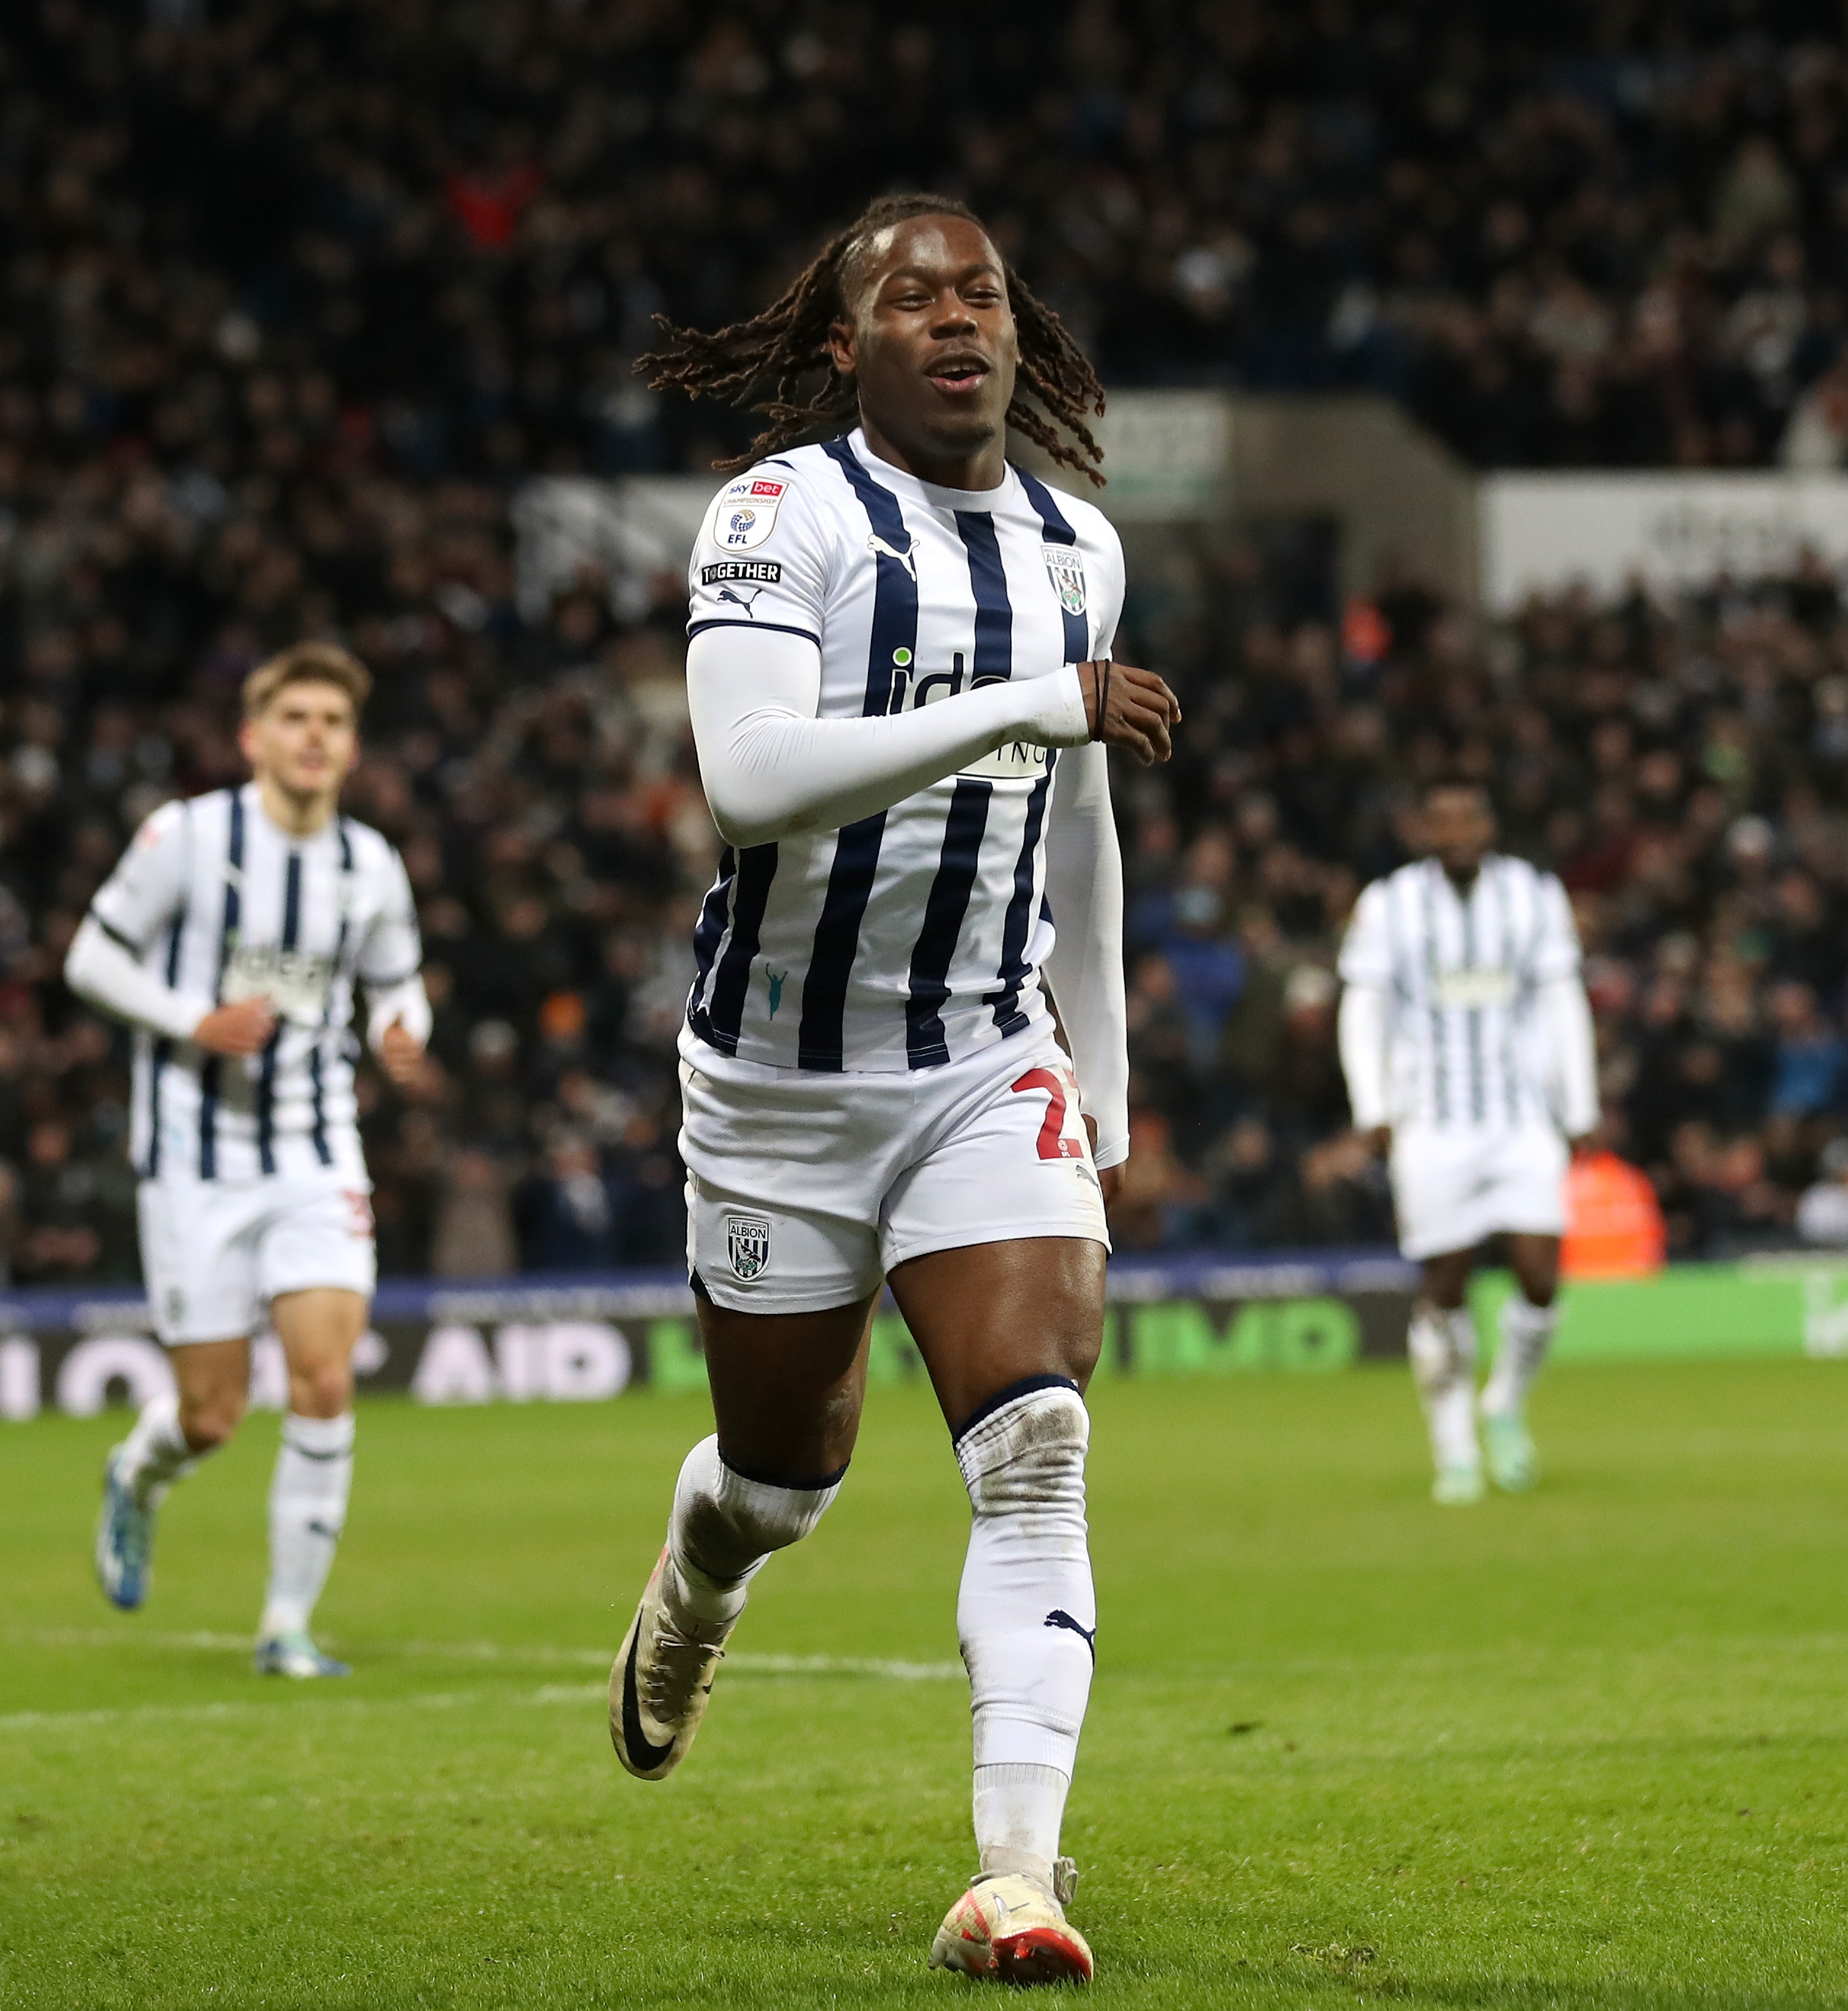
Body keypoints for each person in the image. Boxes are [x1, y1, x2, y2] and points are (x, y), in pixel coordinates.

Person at [614, 193, 1180, 1986]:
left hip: (976, 1057)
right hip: (778, 1082)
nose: (957, 320)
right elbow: (751, 776)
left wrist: (1097, 1068)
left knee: (1034, 1439)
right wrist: (1032, 697)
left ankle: (1014, 1877)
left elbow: (1075, 816)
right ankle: (700, 1579)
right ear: (845, 345)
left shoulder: (1078, 543)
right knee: (786, 1476)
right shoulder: (779, 513)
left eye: (984, 294)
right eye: (911, 297)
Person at [61, 643, 430, 1675]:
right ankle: (139, 1471)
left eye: (332, 721)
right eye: (295, 717)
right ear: (252, 737)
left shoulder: (368, 863)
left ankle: (284, 1626)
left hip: (316, 1151)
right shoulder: (187, 836)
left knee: (322, 1376)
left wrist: (406, 1031)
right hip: (194, 1157)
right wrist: (193, 1018)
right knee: (212, 1414)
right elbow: (90, 956)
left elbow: (401, 981)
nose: (314, 735)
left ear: (351, 747)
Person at [1336, 779, 1598, 1503]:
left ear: (1489, 823)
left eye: (1469, 818)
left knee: (1541, 1275)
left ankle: (1504, 1403)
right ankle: (1453, 1444)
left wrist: (1578, 1105)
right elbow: (1364, 1007)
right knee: (1444, 1285)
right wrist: (1373, 1106)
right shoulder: (1389, 903)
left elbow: (1560, 998)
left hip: (1520, 1118)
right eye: (1442, 820)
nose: (1457, 832)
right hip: (1433, 1122)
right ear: (1423, 828)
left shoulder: (1533, 894)